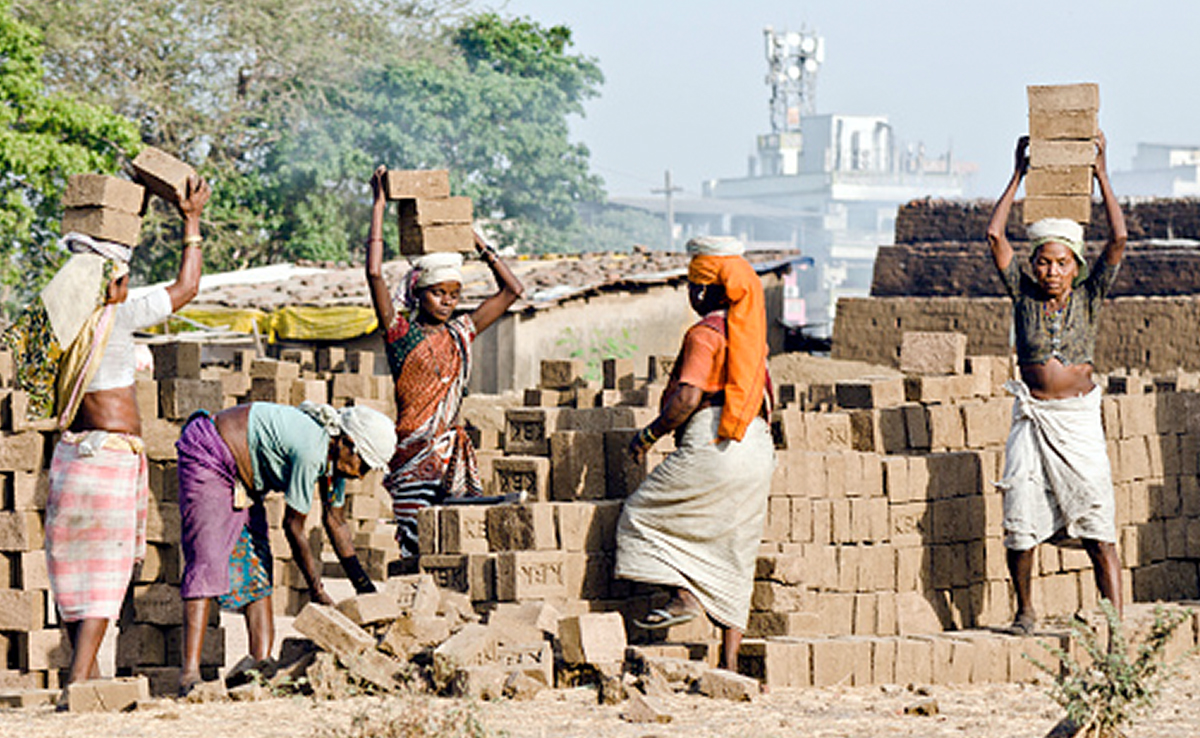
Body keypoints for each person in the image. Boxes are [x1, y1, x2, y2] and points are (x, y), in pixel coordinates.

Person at [2, 175, 210, 704]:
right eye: (122, 275)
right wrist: (190, 220)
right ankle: (78, 680)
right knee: (104, 573)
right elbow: (187, 288)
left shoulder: (58, 325)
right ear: (107, 282)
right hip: (109, 462)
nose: (127, 283)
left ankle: (86, 675)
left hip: (70, 458)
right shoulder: (115, 319)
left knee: (74, 573)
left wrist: (141, 206)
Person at [985, 132, 1127, 634]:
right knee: (1019, 513)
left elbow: (1118, 240)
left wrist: (1101, 175)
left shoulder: (1089, 297)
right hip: (1032, 416)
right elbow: (995, 235)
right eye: (1043, 261)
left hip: (1076, 420)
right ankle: (1025, 610)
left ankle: (1115, 629)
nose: (1051, 271)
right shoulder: (1022, 295)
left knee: (1097, 522)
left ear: (1076, 267)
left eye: (1061, 263)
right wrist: (1017, 176)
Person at [614, 235, 776, 671]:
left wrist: (648, 436)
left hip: (715, 440)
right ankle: (730, 665)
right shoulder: (751, 336)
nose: (689, 293)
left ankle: (684, 596)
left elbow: (687, 398)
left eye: (690, 285)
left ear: (703, 289)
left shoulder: (705, 334)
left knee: (642, 517)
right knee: (736, 549)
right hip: (758, 448)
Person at [175, 400, 396, 694]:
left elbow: (336, 522)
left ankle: (260, 667)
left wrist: (365, 590)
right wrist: (316, 590)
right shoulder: (312, 450)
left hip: (245, 479)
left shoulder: (334, 462)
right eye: (364, 465)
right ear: (348, 443)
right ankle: (189, 675)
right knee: (209, 558)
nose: (362, 475)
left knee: (258, 567)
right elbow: (293, 526)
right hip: (211, 453)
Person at [364, 165, 524, 566]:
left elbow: (513, 290)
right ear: (419, 292)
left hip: (451, 455)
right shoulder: (401, 335)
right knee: (416, 546)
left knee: (456, 546)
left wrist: (473, 239)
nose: (448, 301)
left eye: (454, 294)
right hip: (411, 456)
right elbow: (374, 273)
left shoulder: (461, 333)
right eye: (438, 292)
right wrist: (379, 205)